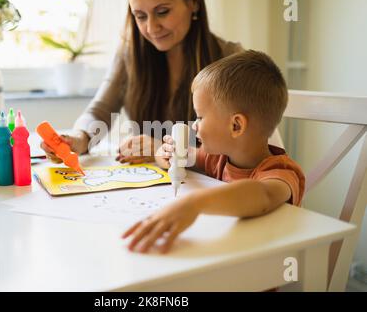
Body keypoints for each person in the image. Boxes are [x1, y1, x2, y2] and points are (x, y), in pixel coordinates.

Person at [122, 50, 306, 254]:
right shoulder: (218, 158)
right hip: (221, 255)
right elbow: (185, 155)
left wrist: (195, 203)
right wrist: (166, 154)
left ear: (236, 125)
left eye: (200, 117)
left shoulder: (281, 172)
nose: (194, 125)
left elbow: (262, 195)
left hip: (256, 272)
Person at [41, 0, 243, 164]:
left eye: (162, 12)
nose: (151, 28)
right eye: (140, 16)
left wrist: (164, 150)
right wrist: (78, 138)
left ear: (194, 2)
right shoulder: (130, 53)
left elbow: (240, 150)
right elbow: (99, 111)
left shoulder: (230, 59)